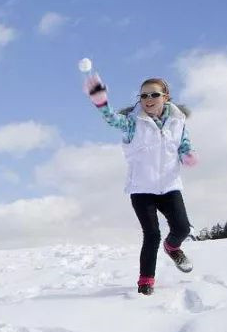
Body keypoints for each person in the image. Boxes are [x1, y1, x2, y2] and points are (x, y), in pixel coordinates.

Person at [84, 72, 197, 295]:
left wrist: (187, 155)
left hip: (170, 186)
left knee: (182, 227)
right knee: (152, 234)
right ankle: (145, 282)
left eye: (154, 94)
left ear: (166, 96)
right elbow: (112, 120)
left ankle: (172, 247)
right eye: (143, 95)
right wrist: (101, 102)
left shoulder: (178, 121)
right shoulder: (133, 122)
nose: (148, 98)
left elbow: (184, 144)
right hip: (142, 188)